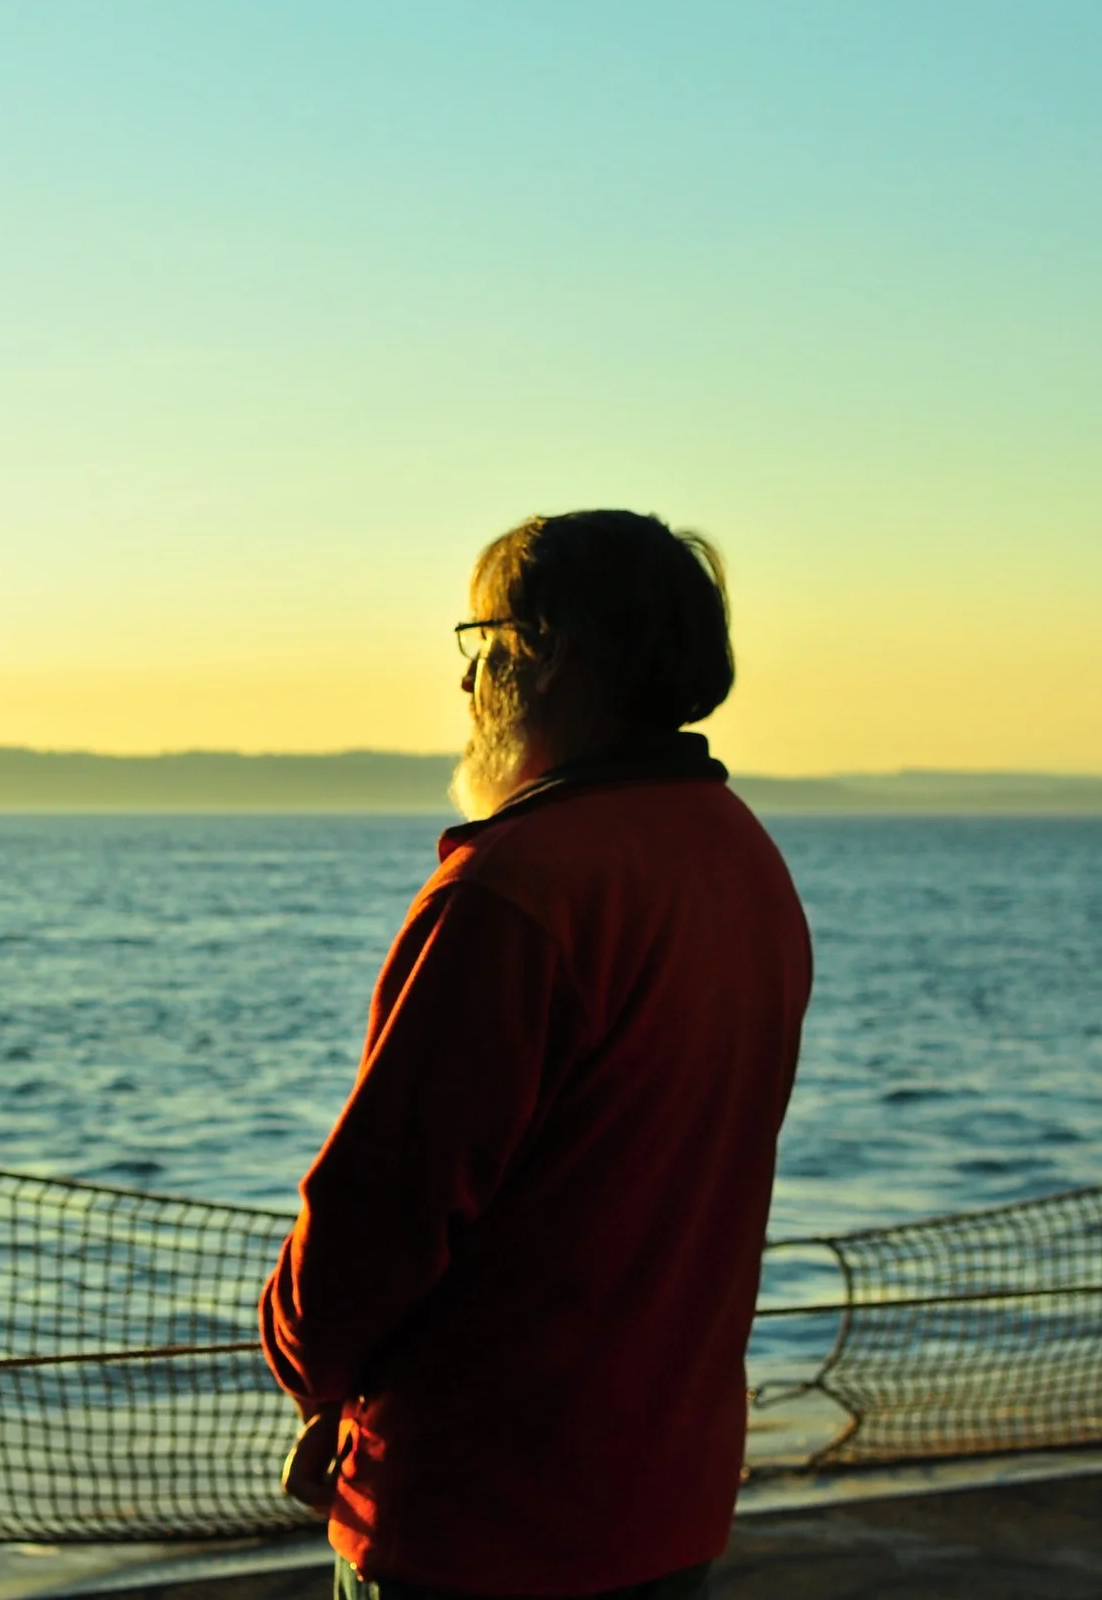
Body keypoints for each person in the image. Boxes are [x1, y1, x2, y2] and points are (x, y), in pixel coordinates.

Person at [259, 511, 812, 1599]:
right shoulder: (744, 860)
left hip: (480, 1524)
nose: (466, 684)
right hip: (664, 1502)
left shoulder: (515, 890)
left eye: (481, 640)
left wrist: (306, 1360)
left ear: (547, 650)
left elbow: (382, 1209)